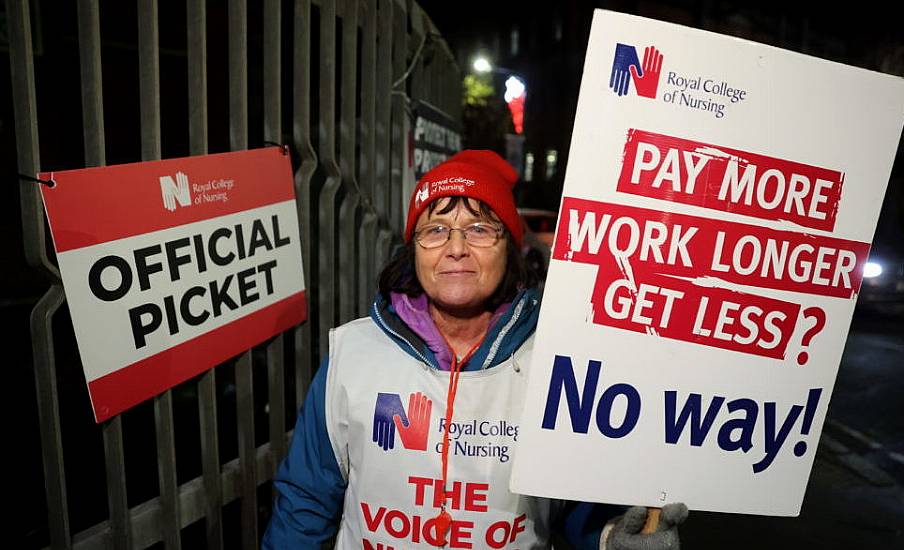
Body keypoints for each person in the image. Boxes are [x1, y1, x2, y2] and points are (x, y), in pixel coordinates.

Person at [262, 150, 688, 549]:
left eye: (481, 228)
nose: (456, 247)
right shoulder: (353, 353)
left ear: (510, 249)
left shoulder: (555, 361)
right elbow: (306, 502)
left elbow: (576, 509)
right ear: (414, 250)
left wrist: (611, 535)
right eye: (435, 230)